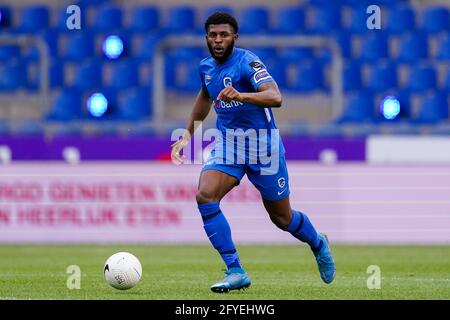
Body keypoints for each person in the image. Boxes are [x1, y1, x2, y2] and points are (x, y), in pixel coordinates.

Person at [171, 12, 335, 293]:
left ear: (235, 37)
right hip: (229, 145)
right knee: (205, 195)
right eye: (213, 35)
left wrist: (241, 95)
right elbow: (205, 97)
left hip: (264, 148)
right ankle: (235, 270)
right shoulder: (206, 68)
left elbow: (275, 97)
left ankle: (318, 243)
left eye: (224, 35)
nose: (218, 40)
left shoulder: (248, 62)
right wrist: (188, 133)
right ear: (206, 38)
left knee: (282, 219)